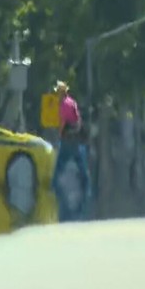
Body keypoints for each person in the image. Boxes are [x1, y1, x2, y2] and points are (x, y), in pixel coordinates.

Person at [52, 80, 90, 222]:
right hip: (77, 141)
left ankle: (59, 200)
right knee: (83, 172)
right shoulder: (72, 102)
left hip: (68, 141)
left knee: (56, 175)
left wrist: (59, 135)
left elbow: (62, 123)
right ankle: (85, 202)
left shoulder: (64, 105)